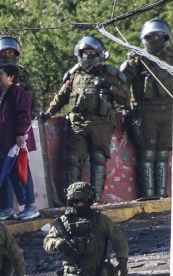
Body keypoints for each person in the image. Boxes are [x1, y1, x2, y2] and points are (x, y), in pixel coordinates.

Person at [40, 36, 128, 202]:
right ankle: (74, 199)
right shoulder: (74, 76)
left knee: (98, 160)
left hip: (101, 124)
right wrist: (48, 113)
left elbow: (125, 98)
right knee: (74, 161)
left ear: (99, 54)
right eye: (85, 52)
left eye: (91, 52)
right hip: (78, 123)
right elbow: (61, 97)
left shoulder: (109, 74)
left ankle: (95, 200)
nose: (88, 55)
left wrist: (111, 88)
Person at [120, 18, 173, 199]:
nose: (155, 39)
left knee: (164, 154)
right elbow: (122, 82)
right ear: (145, 38)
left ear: (165, 37)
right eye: (152, 36)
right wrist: (126, 107)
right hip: (145, 113)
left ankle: (163, 195)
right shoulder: (137, 61)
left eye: (159, 36)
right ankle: (149, 195)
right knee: (148, 154)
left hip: (168, 112)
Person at [0, 63, 39, 220]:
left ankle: (31, 206)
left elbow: (23, 115)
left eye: (1, 74)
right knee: (11, 174)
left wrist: (19, 134)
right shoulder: (3, 95)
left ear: (10, 77)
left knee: (23, 172)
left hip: (16, 142)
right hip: (6, 142)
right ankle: (10, 207)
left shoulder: (18, 93)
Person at [0, 36, 38, 118]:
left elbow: (33, 99)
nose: (7, 56)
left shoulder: (22, 73)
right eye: (4, 53)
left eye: (10, 53)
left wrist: (35, 114)